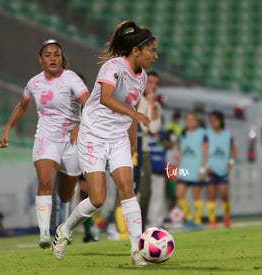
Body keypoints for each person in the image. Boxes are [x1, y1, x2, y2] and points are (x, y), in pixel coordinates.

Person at [51, 20, 157, 266]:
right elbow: (107, 99)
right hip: (93, 137)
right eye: (152, 50)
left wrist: (131, 144)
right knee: (97, 199)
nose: (156, 56)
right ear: (136, 51)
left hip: (118, 138)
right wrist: (134, 114)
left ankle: (136, 251)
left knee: (128, 190)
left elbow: (130, 110)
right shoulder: (113, 67)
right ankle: (64, 231)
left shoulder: (143, 77)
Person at [0, 39, 89, 249]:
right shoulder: (34, 83)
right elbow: (22, 106)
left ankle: (63, 227)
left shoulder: (71, 78)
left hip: (72, 142)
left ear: (61, 58)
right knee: (45, 182)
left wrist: (80, 125)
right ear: (41, 60)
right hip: (46, 139)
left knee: (66, 194)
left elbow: (90, 103)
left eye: (56, 54)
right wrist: (6, 129)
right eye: (48, 55)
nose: (52, 58)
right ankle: (45, 234)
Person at [136, 71, 162, 230]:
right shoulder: (136, 101)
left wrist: (152, 106)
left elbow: (153, 128)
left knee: (146, 192)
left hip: (144, 151)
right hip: (131, 149)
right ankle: (116, 225)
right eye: (150, 82)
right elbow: (139, 126)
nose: (153, 86)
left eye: (155, 84)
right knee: (126, 189)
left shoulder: (156, 106)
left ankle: (141, 227)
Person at [176, 112, 208, 230]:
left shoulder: (202, 134)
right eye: (188, 120)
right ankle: (189, 217)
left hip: (196, 168)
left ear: (196, 121)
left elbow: (205, 152)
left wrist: (202, 169)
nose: (190, 122)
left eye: (193, 120)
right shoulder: (183, 134)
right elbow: (180, 152)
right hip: (184, 168)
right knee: (179, 194)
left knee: (196, 196)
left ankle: (197, 220)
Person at [206, 111, 236, 229]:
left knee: (224, 193)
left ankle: (226, 216)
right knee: (211, 194)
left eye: (215, 120)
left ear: (220, 120)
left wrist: (231, 161)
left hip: (223, 168)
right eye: (211, 120)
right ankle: (212, 221)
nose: (213, 122)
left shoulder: (227, 135)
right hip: (210, 168)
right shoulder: (207, 135)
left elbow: (233, 149)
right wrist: (205, 165)